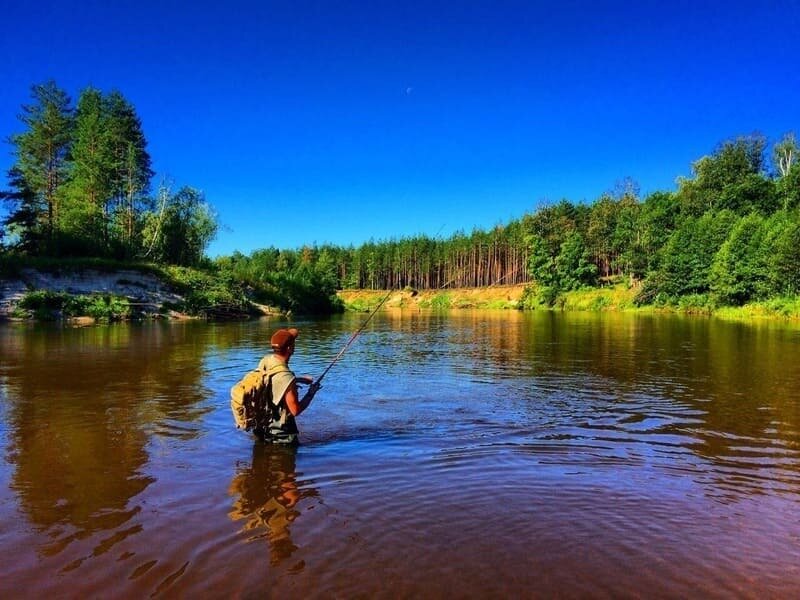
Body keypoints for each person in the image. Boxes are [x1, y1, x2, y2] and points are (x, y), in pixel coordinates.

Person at [256, 328, 320, 444]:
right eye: (294, 342)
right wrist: (311, 393)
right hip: (282, 437)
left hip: (262, 430)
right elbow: (295, 410)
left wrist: (298, 379)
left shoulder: (266, 361)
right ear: (290, 348)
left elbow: (273, 379)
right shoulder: (287, 378)